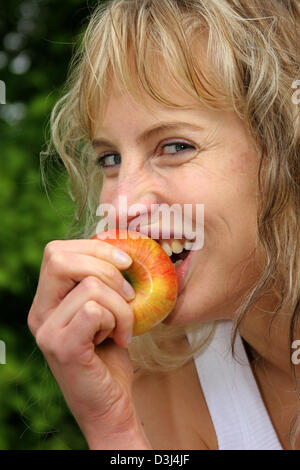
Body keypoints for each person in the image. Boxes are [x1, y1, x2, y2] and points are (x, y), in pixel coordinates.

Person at [28, 0, 300, 450]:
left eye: (174, 147)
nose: (121, 205)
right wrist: (114, 430)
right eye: (110, 159)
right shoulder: (164, 373)